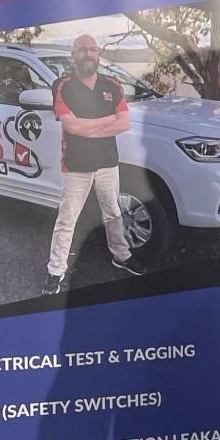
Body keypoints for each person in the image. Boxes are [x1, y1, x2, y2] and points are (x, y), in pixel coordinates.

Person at [45, 34, 142, 294]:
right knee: (67, 219)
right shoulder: (62, 86)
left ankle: (121, 255)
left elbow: (124, 123)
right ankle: (55, 271)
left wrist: (86, 126)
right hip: (76, 164)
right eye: (82, 50)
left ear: (98, 54)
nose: (87, 53)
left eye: (92, 49)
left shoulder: (112, 84)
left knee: (113, 213)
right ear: (73, 55)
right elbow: (71, 127)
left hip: (108, 162)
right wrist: (107, 121)